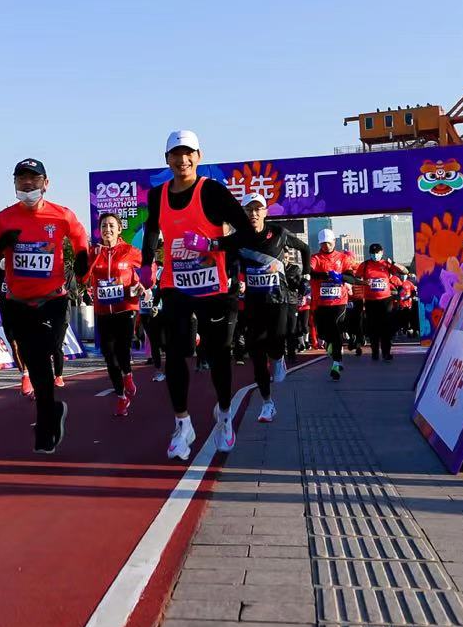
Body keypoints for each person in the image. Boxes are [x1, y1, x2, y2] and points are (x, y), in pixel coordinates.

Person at [140, 132, 257, 462]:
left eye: (188, 153)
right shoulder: (158, 195)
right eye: (176, 154)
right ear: (167, 159)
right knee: (175, 353)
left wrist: (213, 245)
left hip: (213, 287)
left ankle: (224, 414)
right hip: (176, 285)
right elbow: (152, 230)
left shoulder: (212, 191)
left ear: (199, 156)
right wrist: (147, 264)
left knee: (218, 353)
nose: (182, 160)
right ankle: (183, 423)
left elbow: (247, 233)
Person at [0, 159, 89, 453]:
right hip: (18, 303)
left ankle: (47, 419)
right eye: (21, 179)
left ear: (45, 183)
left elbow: (80, 239)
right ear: (14, 183)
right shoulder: (4, 219)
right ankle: (50, 417)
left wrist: (82, 259)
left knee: (43, 353)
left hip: (52, 300)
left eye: (34, 179)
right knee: (36, 364)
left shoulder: (61, 215)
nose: (27, 184)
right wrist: (0, 244)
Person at [223, 196, 308, 424]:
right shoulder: (239, 237)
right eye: (249, 209)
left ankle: (279, 358)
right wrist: (233, 278)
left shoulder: (278, 233)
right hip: (254, 303)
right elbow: (223, 252)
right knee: (257, 354)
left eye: (257, 209)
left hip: (278, 301)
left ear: (265, 212)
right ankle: (267, 403)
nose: (253, 213)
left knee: (276, 342)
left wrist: (307, 277)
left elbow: (305, 249)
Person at [83, 212, 144, 416]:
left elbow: (148, 267)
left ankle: (127, 375)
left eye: (111, 226)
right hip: (103, 311)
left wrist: (144, 284)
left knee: (122, 349)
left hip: (126, 308)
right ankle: (121, 397)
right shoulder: (94, 252)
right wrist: (93, 257)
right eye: (103, 226)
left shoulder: (129, 251)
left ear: (119, 229)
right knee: (109, 356)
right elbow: (83, 276)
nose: (107, 229)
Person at [309, 229, 359, 380]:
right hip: (321, 302)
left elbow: (351, 278)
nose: (326, 246)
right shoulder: (315, 258)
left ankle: (336, 363)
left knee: (336, 328)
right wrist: (324, 275)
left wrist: (340, 276)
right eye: (323, 244)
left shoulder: (343, 258)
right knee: (323, 332)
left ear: (334, 242)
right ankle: (331, 346)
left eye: (329, 243)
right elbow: (310, 272)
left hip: (339, 301)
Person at [356, 243, 402, 361]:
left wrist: (393, 263)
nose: (375, 255)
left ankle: (386, 353)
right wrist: (363, 282)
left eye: (377, 253)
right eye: (373, 253)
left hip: (386, 300)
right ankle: (375, 352)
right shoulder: (365, 265)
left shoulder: (386, 264)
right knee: (373, 327)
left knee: (386, 327)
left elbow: (404, 271)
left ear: (382, 252)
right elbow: (356, 278)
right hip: (371, 301)